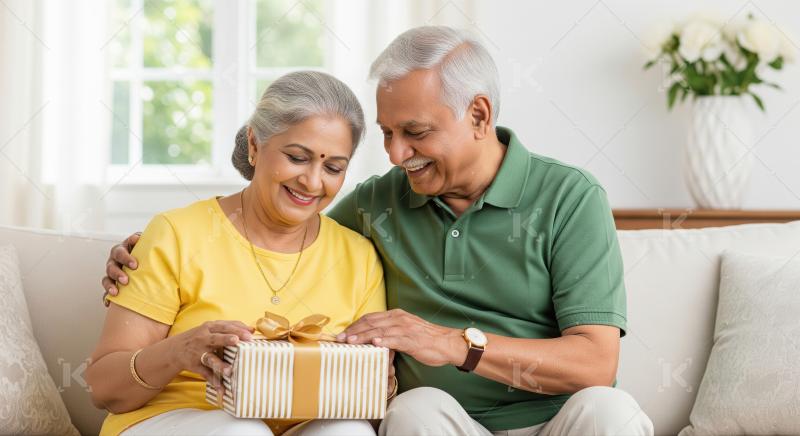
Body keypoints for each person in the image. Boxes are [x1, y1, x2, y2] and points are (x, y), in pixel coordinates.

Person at [103, 26, 654, 435]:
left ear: (480, 117)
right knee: (413, 410)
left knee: (612, 412)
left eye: (414, 133)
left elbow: (596, 363)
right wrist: (145, 250)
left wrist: (450, 343)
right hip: (439, 422)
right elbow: (279, 224)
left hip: (554, 420)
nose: (395, 155)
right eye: (388, 133)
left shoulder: (570, 198)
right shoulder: (380, 203)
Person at [87, 71, 393, 436]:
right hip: (171, 420)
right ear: (254, 144)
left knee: (350, 430)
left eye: (333, 167)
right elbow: (103, 388)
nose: (313, 182)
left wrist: (380, 383)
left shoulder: (358, 256)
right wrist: (179, 351)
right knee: (243, 431)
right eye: (297, 157)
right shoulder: (177, 234)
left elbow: (373, 399)